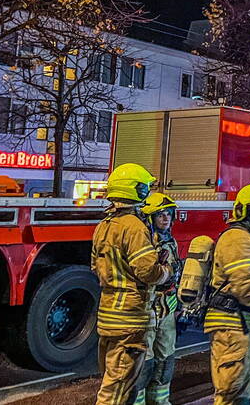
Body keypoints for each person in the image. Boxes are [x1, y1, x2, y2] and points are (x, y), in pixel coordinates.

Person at [91, 164, 173, 405]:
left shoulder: (104, 226)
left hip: (108, 316)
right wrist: (166, 272)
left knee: (112, 381)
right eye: (145, 187)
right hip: (131, 318)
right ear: (136, 190)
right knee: (115, 392)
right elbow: (147, 271)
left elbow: (96, 267)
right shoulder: (134, 226)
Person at [205, 182, 250, 405]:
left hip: (242, 325)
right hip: (233, 326)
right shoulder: (239, 238)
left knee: (240, 392)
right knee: (232, 392)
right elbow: (247, 287)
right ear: (243, 210)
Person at [134, 193, 182, 405]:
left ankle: (161, 401)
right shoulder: (143, 245)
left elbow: (176, 274)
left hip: (167, 310)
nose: (166, 219)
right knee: (144, 362)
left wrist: (178, 302)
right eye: (160, 215)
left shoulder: (170, 242)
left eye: (168, 214)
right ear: (150, 218)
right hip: (147, 310)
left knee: (165, 360)